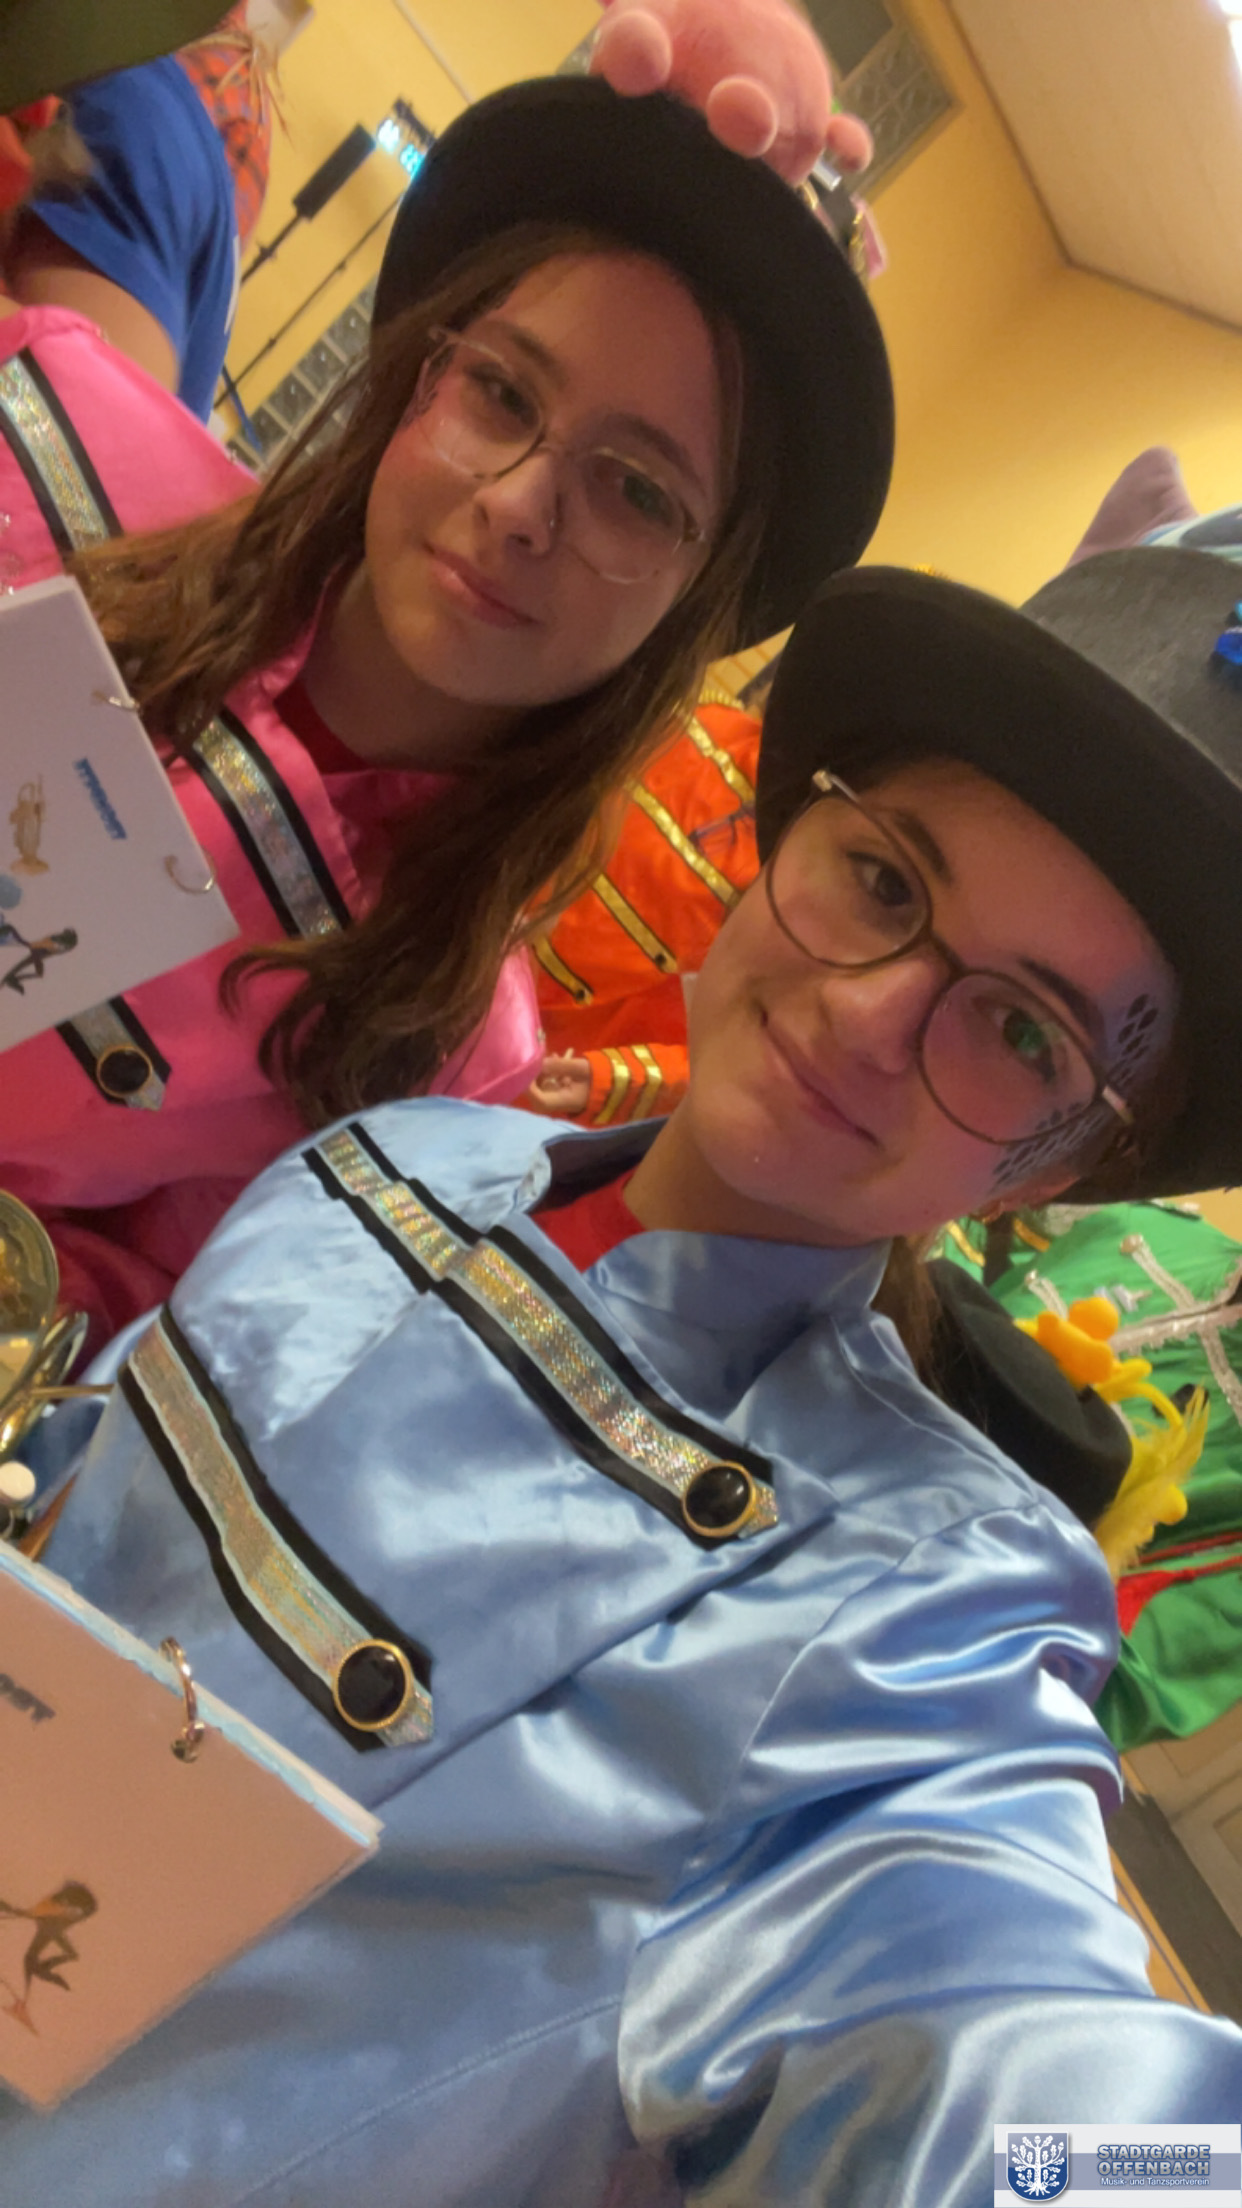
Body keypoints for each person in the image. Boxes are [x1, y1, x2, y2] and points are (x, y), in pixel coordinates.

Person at [9, 540, 1242, 2206]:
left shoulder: (910, 1604)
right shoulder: (407, 1147)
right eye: (884, 882)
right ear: (779, 838)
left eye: (1022, 1030)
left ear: (1060, 1164)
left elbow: (1029, 2114)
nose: (869, 1013)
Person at [0, 71, 894, 1353]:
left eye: (637, 492)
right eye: (504, 394)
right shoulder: (55, 440)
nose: (522, 504)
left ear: (695, 604)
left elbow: (140, 1323)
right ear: (423, 374)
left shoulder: (441, 1061)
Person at [526, 682, 761, 1124]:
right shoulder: (695, 710)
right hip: (453, 933)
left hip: (550, 1064)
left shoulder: (805, 883)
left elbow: (747, 1053)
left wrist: (615, 1079)